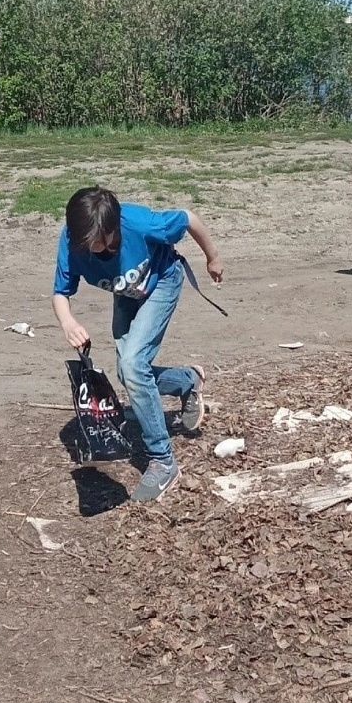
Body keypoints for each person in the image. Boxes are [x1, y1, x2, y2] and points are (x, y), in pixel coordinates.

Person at [51, 186, 223, 504]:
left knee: (132, 366)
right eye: (81, 242)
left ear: (112, 231)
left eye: (94, 242)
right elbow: (61, 292)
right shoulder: (74, 239)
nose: (85, 249)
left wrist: (213, 258)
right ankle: (187, 380)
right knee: (127, 372)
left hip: (163, 281)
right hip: (127, 294)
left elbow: (188, 218)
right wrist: (68, 322)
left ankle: (163, 460)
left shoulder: (139, 224)